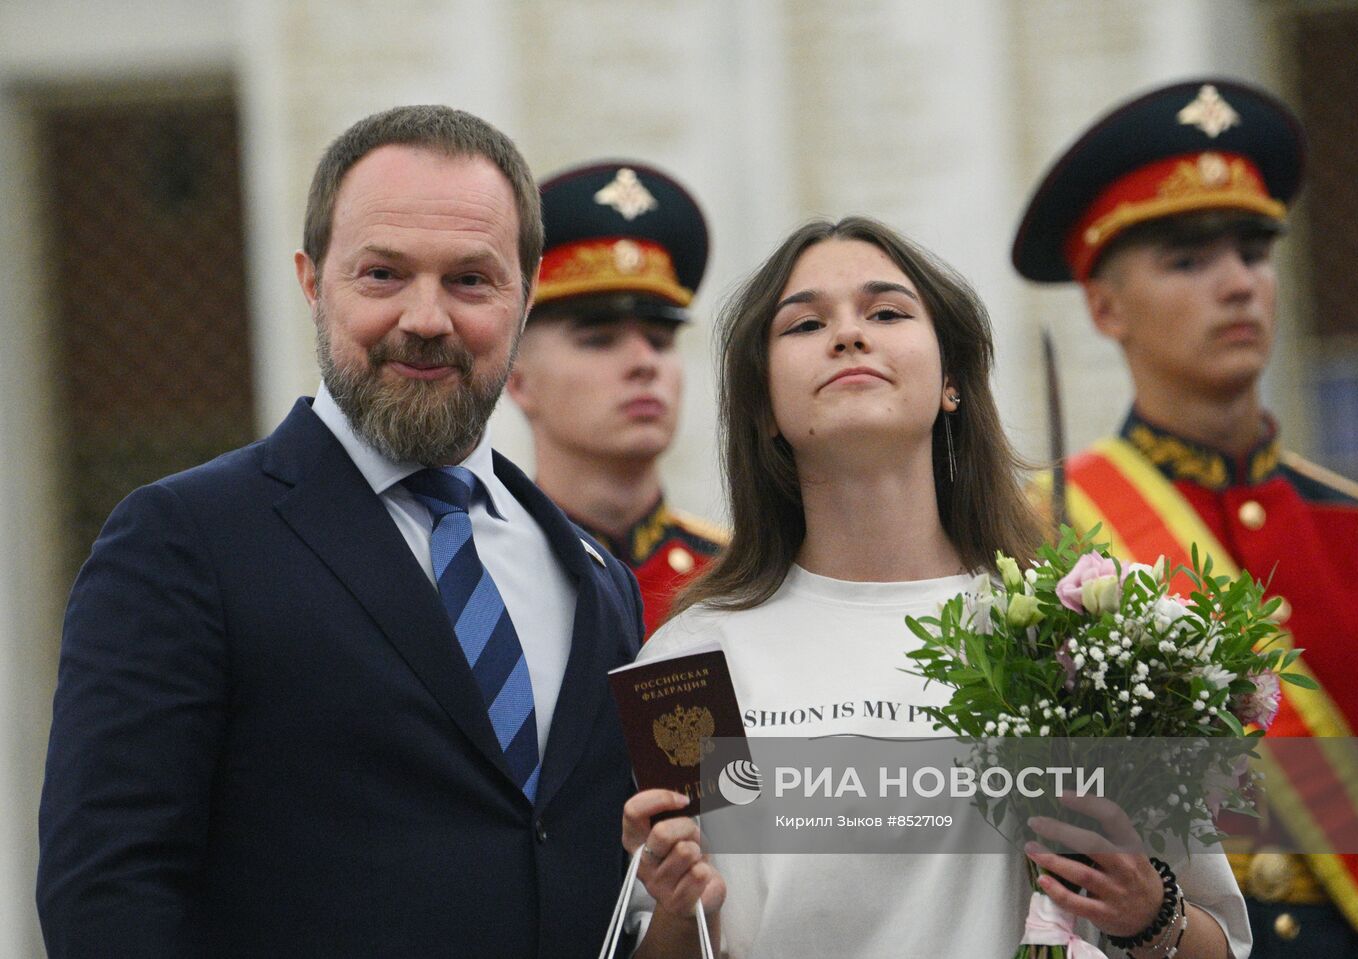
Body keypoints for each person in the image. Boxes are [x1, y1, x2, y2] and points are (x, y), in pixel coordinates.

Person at [36, 105, 644, 959]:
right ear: (313, 282)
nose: (427, 318)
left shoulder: (594, 575)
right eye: (383, 274)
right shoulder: (184, 543)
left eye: (471, 279)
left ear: (526, 295)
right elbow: (109, 890)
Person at [619, 216, 1251, 958]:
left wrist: (1144, 910)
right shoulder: (689, 657)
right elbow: (674, 927)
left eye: (886, 313)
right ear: (763, 407)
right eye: (806, 324)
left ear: (952, 381)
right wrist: (678, 908)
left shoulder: (1076, 630)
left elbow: (1218, 942)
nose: (850, 336)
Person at [1012, 78, 1358, 957]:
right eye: (1187, 260)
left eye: (1254, 251)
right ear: (1105, 307)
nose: (1237, 284)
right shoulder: (1049, 532)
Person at [507, 160, 725, 636]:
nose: (644, 363)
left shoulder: (735, 583)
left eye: (661, 339)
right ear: (516, 380)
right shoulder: (485, 582)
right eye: (599, 340)